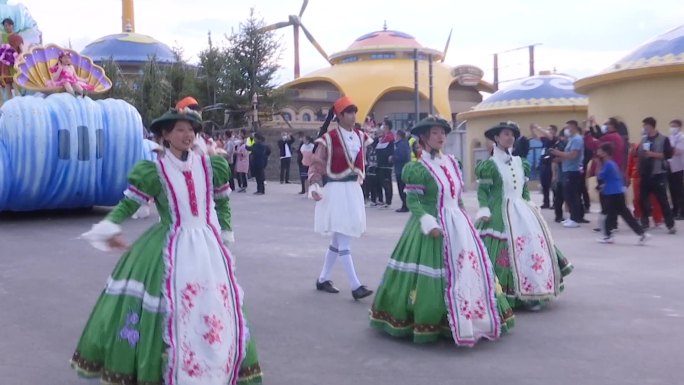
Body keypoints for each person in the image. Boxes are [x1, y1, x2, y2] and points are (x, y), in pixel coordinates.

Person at [73, 108, 262, 385]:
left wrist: (225, 233)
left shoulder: (211, 165)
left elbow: (222, 202)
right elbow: (128, 204)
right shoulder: (155, 171)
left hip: (208, 248)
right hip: (171, 246)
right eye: (180, 130)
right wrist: (109, 226)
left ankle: (214, 368)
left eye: (191, 130)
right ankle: (168, 369)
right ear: (165, 135)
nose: (187, 135)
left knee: (215, 304)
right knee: (171, 310)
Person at [370, 116, 514, 345]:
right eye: (435, 133)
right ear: (424, 138)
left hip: (458, 225)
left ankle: (470, 317)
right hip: (431, 226)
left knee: (469, 270)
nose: (440, 137)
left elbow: (457, 199)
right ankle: (428, 321)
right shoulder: (417, 168)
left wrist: (468, 222)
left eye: (443, 133)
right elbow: (414, 201)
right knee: (434, 274)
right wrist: (428, 222)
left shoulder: (452, 162)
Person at [476, 121, 573, 310]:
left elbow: (524, 191)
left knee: (531, 249)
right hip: (499, 212)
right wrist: (484, 209)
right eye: (505, 134)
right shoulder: (489, 165)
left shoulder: (521, 163)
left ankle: (531, 293)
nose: (510, 137)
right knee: (504, 252)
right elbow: (482, 191)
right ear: (496, 138)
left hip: (522, 212)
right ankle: (502, 294)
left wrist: (530, 205)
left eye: (512, 134)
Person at [309, 96, 374, 300]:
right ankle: (356, 286)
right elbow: (317, 164)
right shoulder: (329, 139)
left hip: (352, 190)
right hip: (336, 192)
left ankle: (322, 279)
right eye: (349, 112)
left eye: (354, 111)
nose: (353, 116)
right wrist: (314, 184)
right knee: (344, 239)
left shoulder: (360, 136)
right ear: (339, 115)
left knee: (338, 241)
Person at [595, 143, 650, 244]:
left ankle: (608, 236)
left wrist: (598, 163)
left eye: (600, 150)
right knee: (624, 214)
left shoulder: (607, 164)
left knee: (609, 214)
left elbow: (600, 176)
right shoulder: (612, 163)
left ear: (605, 153)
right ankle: (642, 234)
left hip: (612, 193)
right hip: (617, 192)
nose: (598, 152)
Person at [637, 117, 676, 233]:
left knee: (662, 200)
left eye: (645, 125)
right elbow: (639, 155)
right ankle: (644, 222)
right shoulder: (644, 140)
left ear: (651, 126)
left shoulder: (664, 139)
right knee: (642, 199)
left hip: (658, 173)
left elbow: (668, 155)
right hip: (645, 173)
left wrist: (653, 154)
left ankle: (670, 225)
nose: (644, 128)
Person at [550, 120, 586, 227]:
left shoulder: (577, 139)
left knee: (573, 195)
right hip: (567, 170)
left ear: (574, 126)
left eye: (568, 127)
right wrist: (558, 158)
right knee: (568, 195)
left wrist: (557, 153)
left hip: (573, 171)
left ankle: (575, 219)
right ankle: (572, 217)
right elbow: (567, 156)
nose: (567, 129)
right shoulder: (571, 139)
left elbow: (573, 155)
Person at [375, 122, 395, 208]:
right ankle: (382, 200)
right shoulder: (383, 138)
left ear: (387, 127)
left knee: (387, 182)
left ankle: (388, 201)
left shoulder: (390, 138)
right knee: (381, 182)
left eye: (384, 126)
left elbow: (390, 151)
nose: (382, 128)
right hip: (380, 164)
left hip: (386, 165)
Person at [667, 119, 684, 220]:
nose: (672, 128)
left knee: (679, 189)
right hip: (669, 166)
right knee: (671, 189)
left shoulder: (681, 137)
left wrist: (669, 150)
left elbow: (678, 151)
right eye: (671, 126)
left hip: (678, 167)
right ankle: (675, 209)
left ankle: (682, 211)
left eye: (674, 126)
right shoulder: (669, 138)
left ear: (679, 127)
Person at [393, 130, 411, 212]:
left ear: (399, 136)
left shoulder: (401, 145)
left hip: (401, 169)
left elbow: (401, 156)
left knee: (402, 188)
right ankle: (405, 204)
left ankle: (405, 205)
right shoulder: (404, 144)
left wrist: (393, 158)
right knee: (403, 188)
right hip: (403, 169)